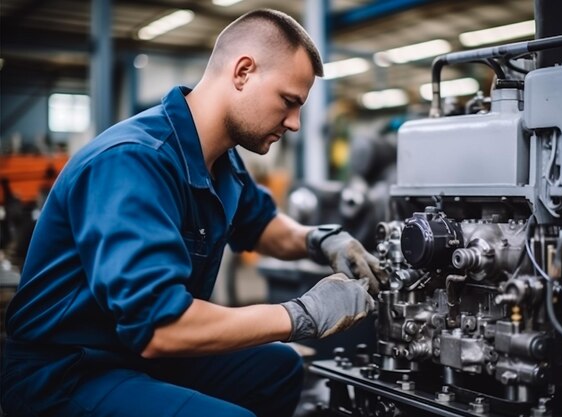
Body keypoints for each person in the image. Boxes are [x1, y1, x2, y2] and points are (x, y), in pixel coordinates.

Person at [0, 9, 388, 417]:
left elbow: (264, 226)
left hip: (130, 351)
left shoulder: (220, 160)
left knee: (279, 366)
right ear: (242, 72)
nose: (294, 123)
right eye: (288, 102)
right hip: (66, 371)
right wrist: (303, 314)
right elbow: (160, 326)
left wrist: (322, 240)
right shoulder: (134, 162)